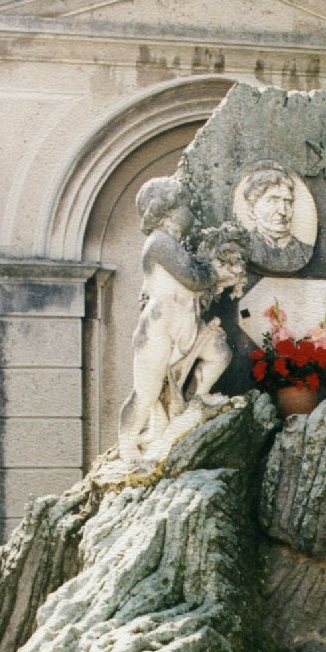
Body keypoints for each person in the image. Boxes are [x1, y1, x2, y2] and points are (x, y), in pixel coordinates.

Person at [118, 177, 248, 463]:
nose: (192, 213)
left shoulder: (174, 244)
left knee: (220, 354)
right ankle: (127, 446)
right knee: (146, 393)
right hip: (159, 328)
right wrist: (217, 271)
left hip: (186, 324)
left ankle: (197, 399)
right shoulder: (159, 243)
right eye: (187, 206)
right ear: (169, 210)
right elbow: (193, 277)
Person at [240, 165, 311, 273]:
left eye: (288, 202)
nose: (282, 211)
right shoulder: (243, 248)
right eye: (273, 201)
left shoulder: (305, 252)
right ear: (251, 210)